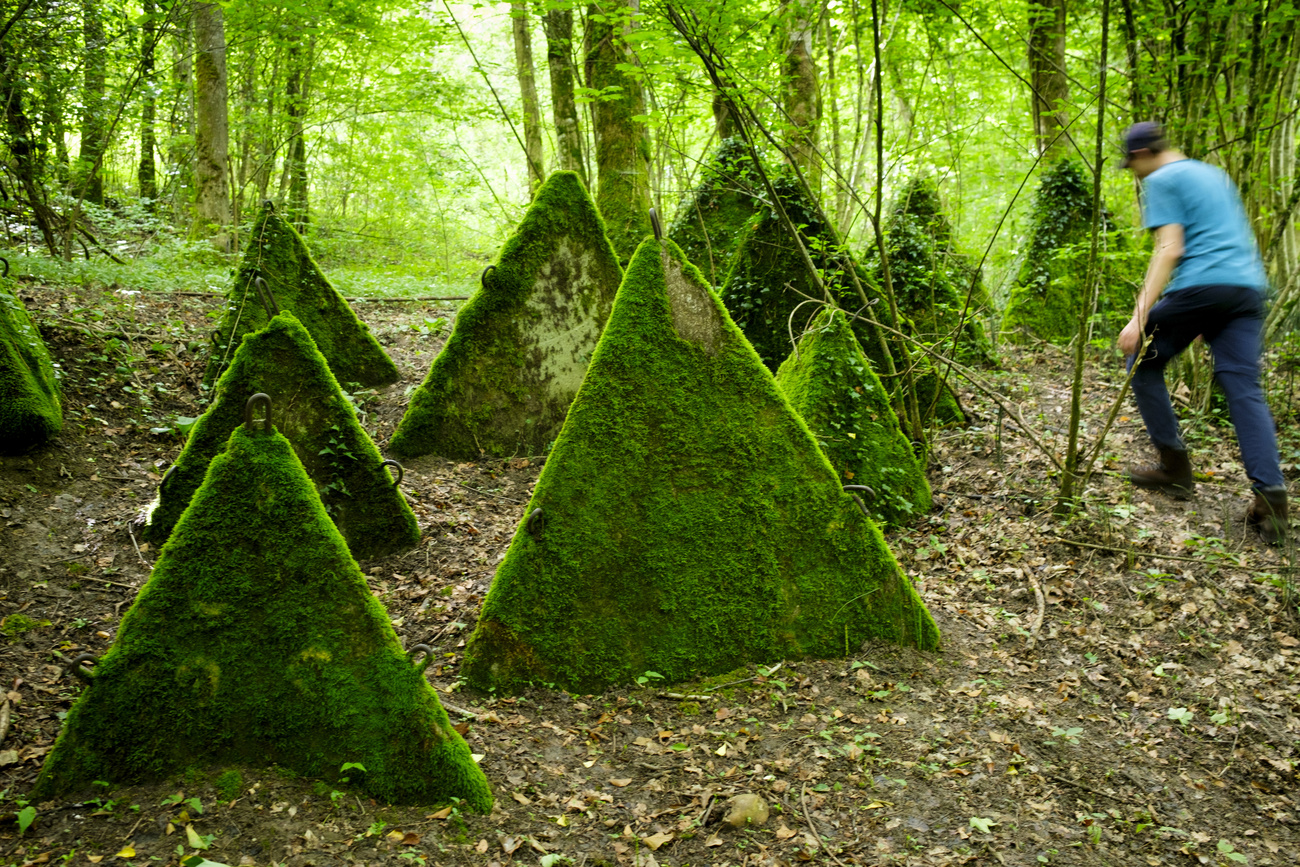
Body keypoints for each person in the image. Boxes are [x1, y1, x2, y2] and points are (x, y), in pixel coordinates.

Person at [1117, 121, 1288, 544]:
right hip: (1246, 290)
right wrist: (1203, 316)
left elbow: (1170, 248)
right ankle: (1271, 499)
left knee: (1140, 359)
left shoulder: (1162, 178)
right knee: (1244, 388)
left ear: (1141, 155)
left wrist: (1138, 317)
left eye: (1132, 165)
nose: (1135, 173)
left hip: (1202, 286)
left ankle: (1175, 470)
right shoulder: (1214, 174)